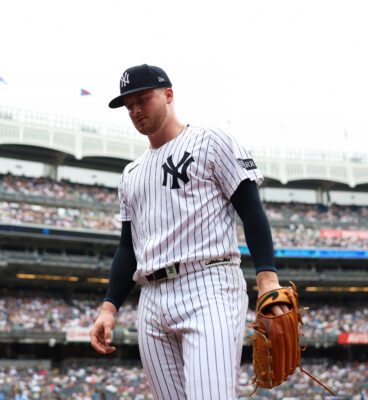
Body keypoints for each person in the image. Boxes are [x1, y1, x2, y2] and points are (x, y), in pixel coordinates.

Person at [90, 64, 288, 400]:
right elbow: (127, 249)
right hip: (151, 298)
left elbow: (251, 211)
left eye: (143, 99)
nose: (136, 110)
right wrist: (109, 307)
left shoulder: (210, 140)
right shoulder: (131, 175)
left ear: (168, 94)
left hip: (208, 285)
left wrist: (267, 279)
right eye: (129, 105)